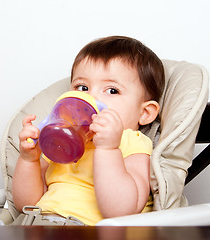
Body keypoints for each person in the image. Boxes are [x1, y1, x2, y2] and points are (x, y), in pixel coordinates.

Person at [12, 36, 165, 226]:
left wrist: (108, 149)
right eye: (82, 87)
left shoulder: (132, 142)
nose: (90, 97)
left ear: (144, 113)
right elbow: (25, 204)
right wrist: (29, 160)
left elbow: (121, 211)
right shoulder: (63, 139)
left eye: (112, 91)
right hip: (36, 223)